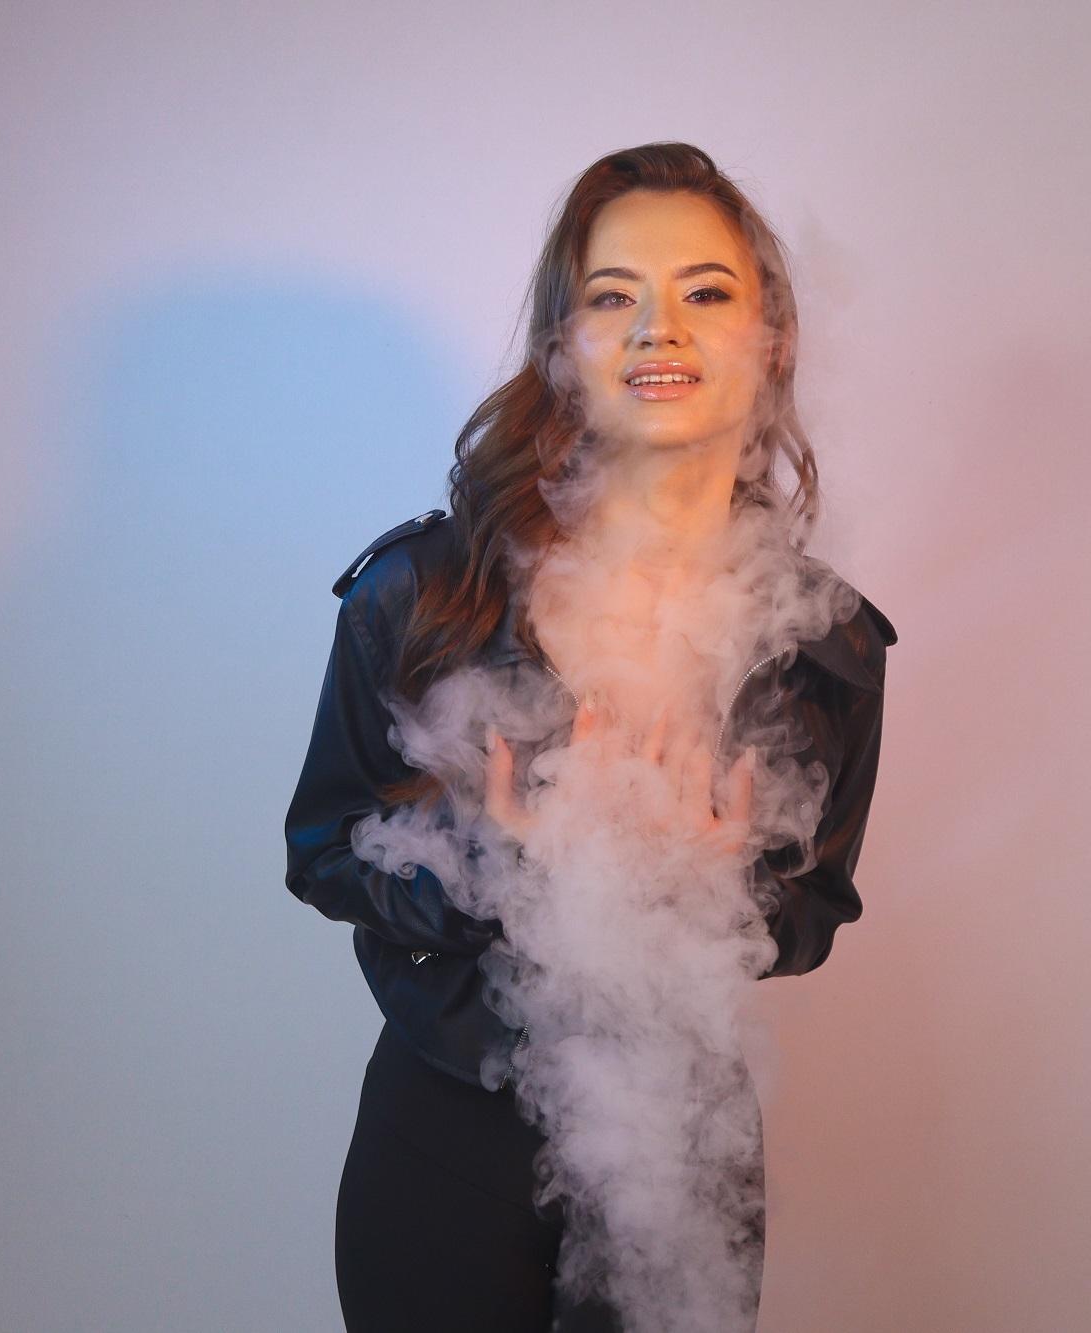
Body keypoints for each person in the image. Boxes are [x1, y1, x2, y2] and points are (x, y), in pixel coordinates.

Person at [283, 141, 896, 1332]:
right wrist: (497, 867)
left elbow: (812, 914)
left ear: (769, 339)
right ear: (563, 344)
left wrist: (713, 885)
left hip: (681, 1149)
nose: (658, 329)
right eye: (613, 297)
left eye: (704, 292)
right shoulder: (423, 594)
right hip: (448, 1143)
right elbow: (323, 853)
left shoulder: (825, 643)